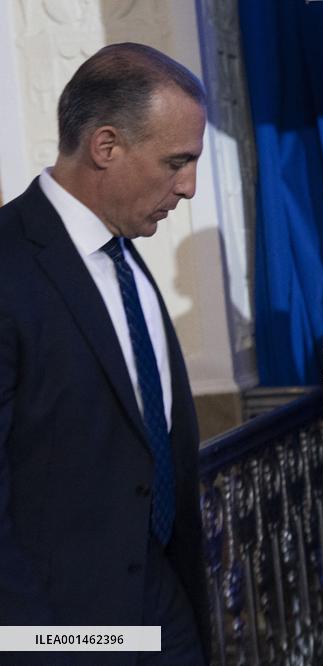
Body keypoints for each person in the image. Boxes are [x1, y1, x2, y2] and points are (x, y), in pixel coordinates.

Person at [0, 43, 209, 665]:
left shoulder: (124, 249)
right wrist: (36, 646)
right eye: (177, 162)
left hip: (163, 601)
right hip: (59, 628)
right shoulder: (9, 263)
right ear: (106, 146)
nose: (190, 187)